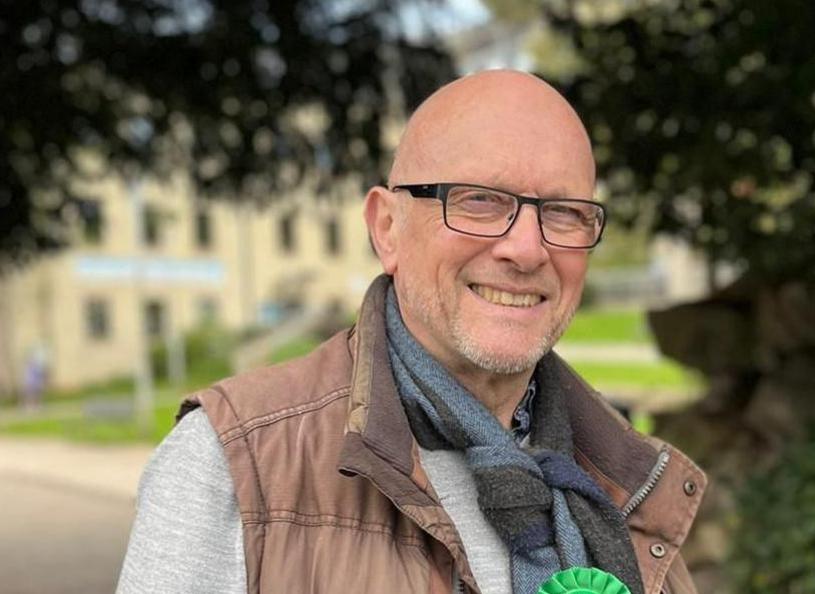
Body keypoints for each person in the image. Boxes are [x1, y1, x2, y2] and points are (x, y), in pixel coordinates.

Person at [117, 70, 707, 594]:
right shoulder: (234, 466)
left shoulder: (627, 478)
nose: (527, 249)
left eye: (563, 211)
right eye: (479, 200)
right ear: (387, 228)